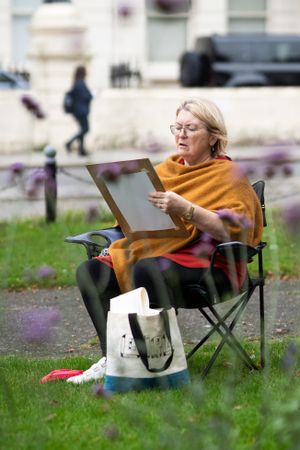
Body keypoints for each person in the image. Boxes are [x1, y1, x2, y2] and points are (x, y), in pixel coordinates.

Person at [67, 97, 263, 384]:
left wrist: (186, 209)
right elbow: (139, 221)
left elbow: (237, 232)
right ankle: (115, 359)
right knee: (92, 271)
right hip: (159, 249)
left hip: (211, 263)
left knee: (147, 269)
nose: (181, 135)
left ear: (213, 137)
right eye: (178, 127)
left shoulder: (229, 175)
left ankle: (160, 365)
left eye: (191, 128)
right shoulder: (163, 171)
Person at [65, 66, 93, 156]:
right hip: (81, 110)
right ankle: (69, 143)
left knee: (82, 129)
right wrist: (91, 96)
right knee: (86, 129)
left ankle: (81, 150)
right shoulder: (80, 83)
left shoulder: (77, 83)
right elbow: (85, 96)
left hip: (78, 111)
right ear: (82, 73)